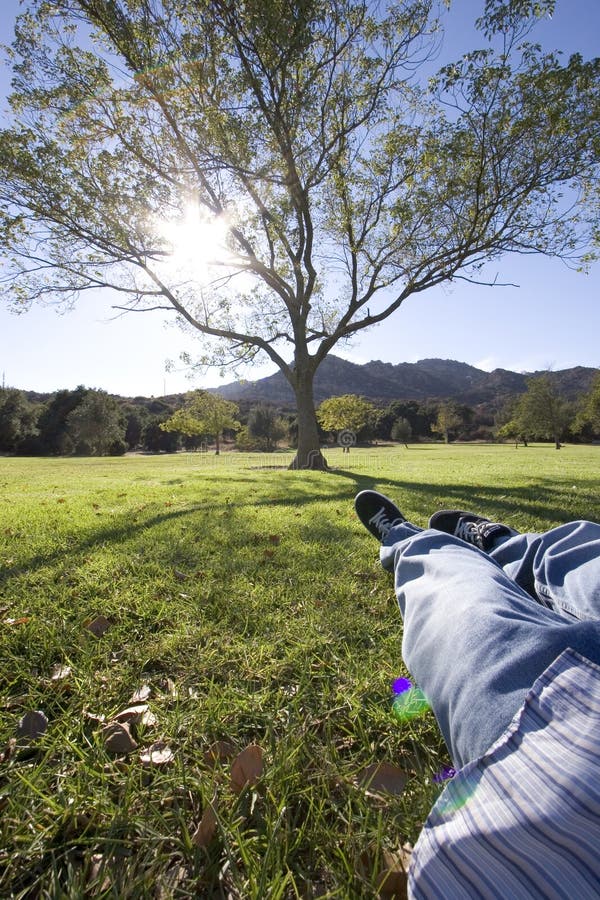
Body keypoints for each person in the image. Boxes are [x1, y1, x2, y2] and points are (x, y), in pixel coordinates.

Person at [354, 489, 600, 899]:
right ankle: (502, 544)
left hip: (556, 743)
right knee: (580, 552)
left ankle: (404, 538)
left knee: (455, 589)